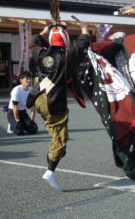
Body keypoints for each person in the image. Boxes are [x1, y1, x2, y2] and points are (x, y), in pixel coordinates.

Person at [26, 22, 90, 189]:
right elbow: (83, 43)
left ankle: (52, 158)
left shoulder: (41, 53)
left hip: (38, 98)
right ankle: (50, 170)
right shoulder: (67, 56)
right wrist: (84, 27)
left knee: (55, 132)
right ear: (66, 41)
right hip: (53, 102)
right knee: (60, 138)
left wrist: (45, 30)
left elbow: (33, 41)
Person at [7, 71, 38, 136]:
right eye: (27, 79)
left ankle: (22, 124)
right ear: (21, 80)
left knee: (33, 130)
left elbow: (33, 107)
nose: (29, 80)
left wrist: (32, 121)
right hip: (12, 112)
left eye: (30, 78)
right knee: (19, 132)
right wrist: (17, 121)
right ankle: (11, 126)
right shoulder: (16, 90)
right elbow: (15, 107)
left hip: (23, 113)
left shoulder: (31, 90)